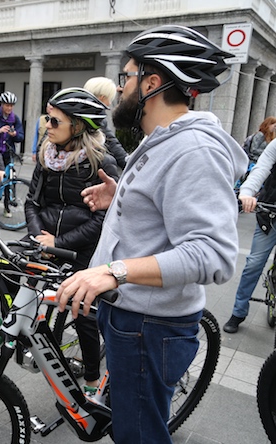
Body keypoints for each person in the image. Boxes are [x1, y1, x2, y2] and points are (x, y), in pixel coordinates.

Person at [55, 25, 247, 442]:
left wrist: (114, 271)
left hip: (149, 325)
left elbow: (212, 255)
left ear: (152, 83)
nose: (120, 88)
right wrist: (120, 196)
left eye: (126, 77)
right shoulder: (163, 140)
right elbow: (162, 203)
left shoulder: (194, 150)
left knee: (137, 435)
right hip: (132, 317)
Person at [26, 87, 118, 395]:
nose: (47, 127)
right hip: (47, 240)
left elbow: (103, 220)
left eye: (54, 121)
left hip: (84, 249)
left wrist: (60, 241)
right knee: (14, 276)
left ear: (76, 126)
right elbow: (32, 203)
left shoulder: (101, 161)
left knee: (83, 314)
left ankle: (92, 381)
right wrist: (42, 239)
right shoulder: (46, 154)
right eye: (47, 119)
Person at [224, 134, 276, 333]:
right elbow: (261, 169)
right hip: (271, 212)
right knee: (254, 263)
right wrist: (246, 192)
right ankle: (239, 311)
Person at [83, 77, 128, 169]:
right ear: (102, 98)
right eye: (109, 99)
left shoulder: (70, 112)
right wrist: (130, 165)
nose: (109, 103)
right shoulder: (96, 120)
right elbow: (112, 144)